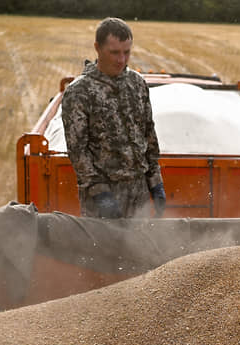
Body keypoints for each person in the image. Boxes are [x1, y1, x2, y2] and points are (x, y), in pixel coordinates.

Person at [61, 17, 166, 219]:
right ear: (97, 48)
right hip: (102, 198)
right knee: (104, 250)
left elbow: (148, 135)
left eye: (127, 52)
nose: (121, 60)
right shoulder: (80, 92)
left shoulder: (137, 84)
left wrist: (155, 182)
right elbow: (78, 150)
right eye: (114, 52)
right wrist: (100, 193)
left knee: (141, 249)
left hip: (139, 193)